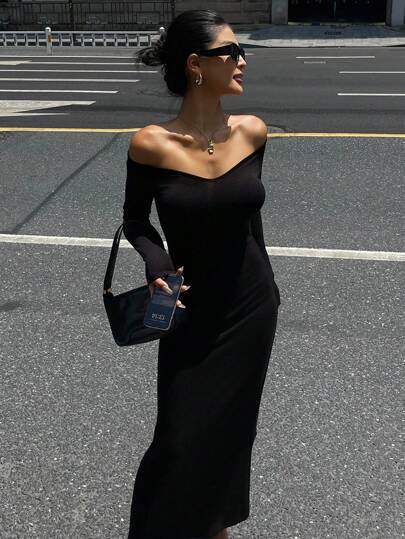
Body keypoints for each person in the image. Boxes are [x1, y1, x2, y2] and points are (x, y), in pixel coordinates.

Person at [122, 9, 281, 539]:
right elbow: (135, 221)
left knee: (229, 437)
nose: (242, 61)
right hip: (190, 309)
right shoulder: (151, 143)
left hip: (251, 307)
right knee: (178, 439)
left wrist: (271, 289)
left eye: (242, 52)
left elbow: (249, 221)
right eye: (231, 52)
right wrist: (158, 265)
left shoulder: (253, 132)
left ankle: (214, 530)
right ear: (196, 65)